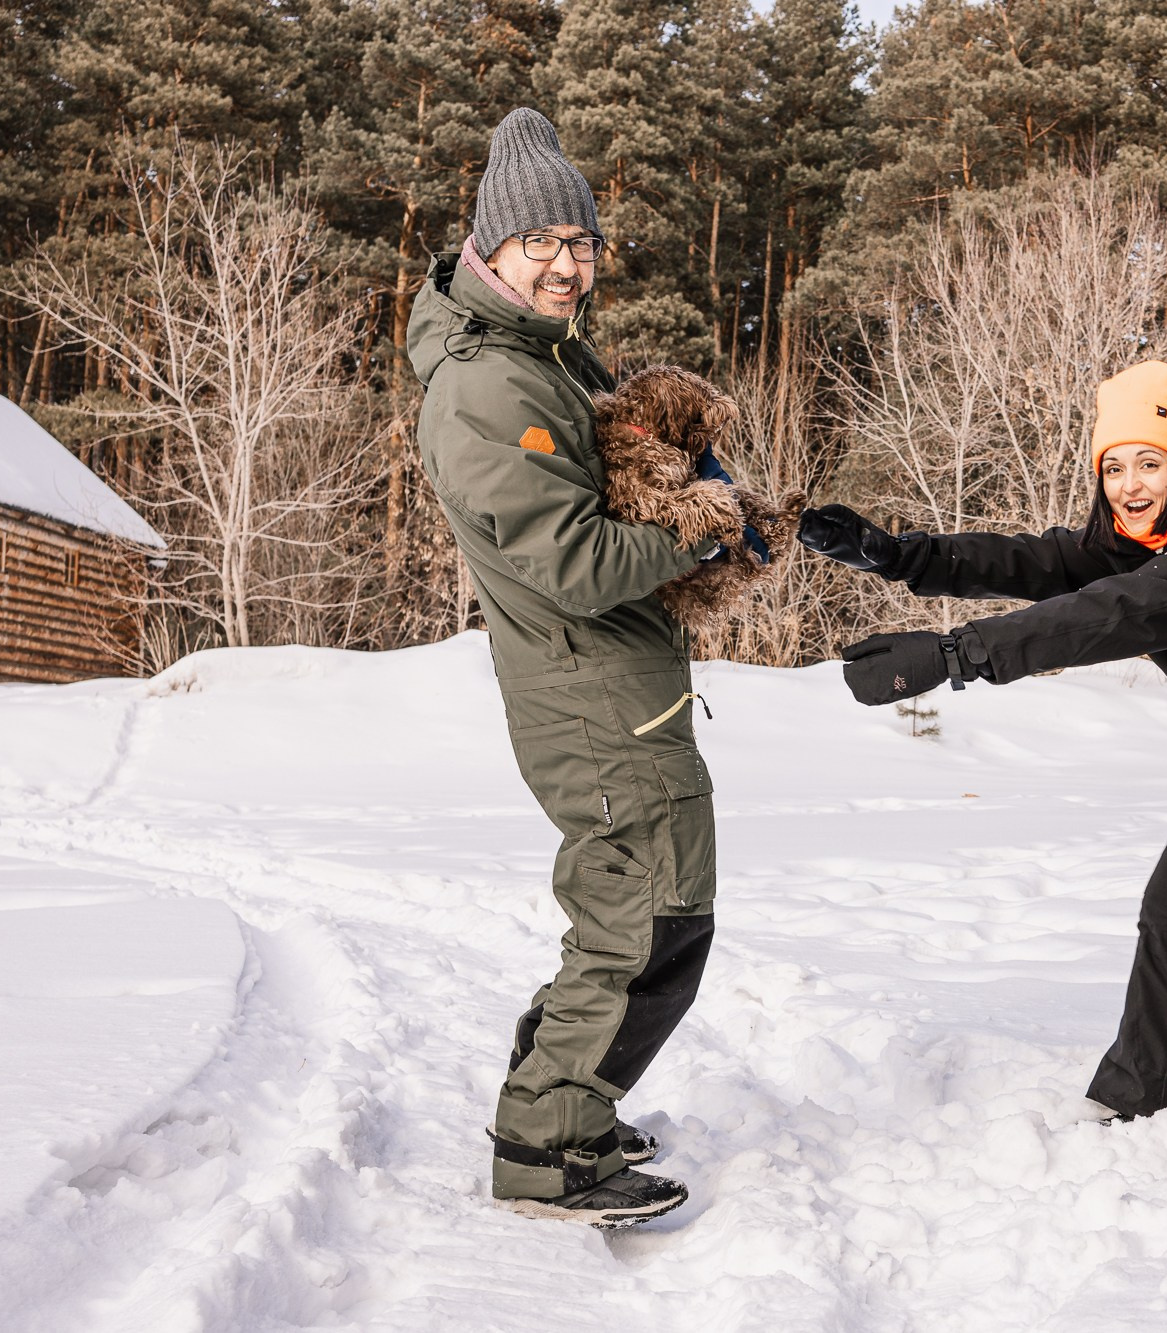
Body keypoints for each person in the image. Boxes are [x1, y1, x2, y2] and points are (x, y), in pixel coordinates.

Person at [797, 362, 1167, 1170]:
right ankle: (1147, 1081)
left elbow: (1109, 614)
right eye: (1114, 466)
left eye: (1149, 462)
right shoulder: (1135, 542)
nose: (1129, 483)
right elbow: (1030, 562)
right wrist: (898, 556)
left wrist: (953, 656)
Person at [407, 108, 740, 1226]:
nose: (565, 264)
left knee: (642, 909)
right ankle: (547, 1143)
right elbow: (577, 559)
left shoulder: (541, 354)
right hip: (589, 691)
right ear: (488, 252)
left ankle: (564, 1098)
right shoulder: (488, 386)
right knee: (649, 919)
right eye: (538, 244)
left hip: (619, 688)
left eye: (580, 243)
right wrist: (701, 526)